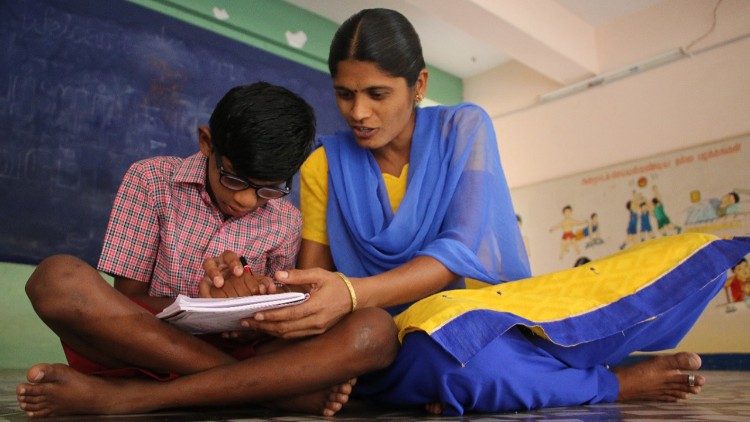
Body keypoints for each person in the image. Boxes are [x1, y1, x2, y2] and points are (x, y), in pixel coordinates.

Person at [227, 9, 745, 415]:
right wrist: (273, 301)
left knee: (485, 340)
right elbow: (316, 272)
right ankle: (612, 382)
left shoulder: (463, 129)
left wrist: (355, 291)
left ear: (420, 85)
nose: (359, 112)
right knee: (448, 365)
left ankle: (572, 375)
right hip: (393, 337)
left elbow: (459, 252)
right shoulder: (323, 163)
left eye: (377, 93)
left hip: (485, 315)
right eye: (344, 95)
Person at [16, 82, 398, 417]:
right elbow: (128, 303)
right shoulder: (151, 181)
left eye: (269, 189)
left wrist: (253, 306)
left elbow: (277, 326)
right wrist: (202, 301)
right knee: (56, 278)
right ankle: (269, 392)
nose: (248, 200)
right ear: (206, 143)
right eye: (234, 178)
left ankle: (133, 398)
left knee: (377, 330)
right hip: (145, 346)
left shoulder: (285, 220)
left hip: (248, 354)